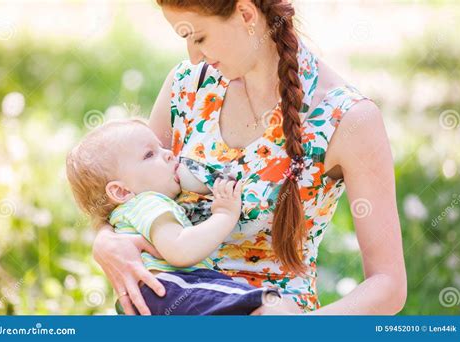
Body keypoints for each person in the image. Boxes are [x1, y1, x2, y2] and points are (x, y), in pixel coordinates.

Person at [92, 0, 407, 315]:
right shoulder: (188, 85)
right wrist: (105, 241)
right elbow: (127, 193)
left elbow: (388, 285)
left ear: (246, 14)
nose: (193, 55)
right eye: (185, 39)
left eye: (199, 37)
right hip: (177, 307)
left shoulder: (346, 118)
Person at [66, 118, 298, 315]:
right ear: (121, 191)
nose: (168, 154)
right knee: (273, 306)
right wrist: (224, 215)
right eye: (149, 154)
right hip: (171, 289)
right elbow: (180, 250)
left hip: (159, 298)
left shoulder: (126, 214)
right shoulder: (148, 203)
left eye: (160, 148)